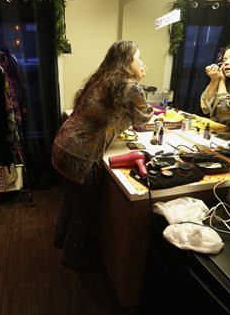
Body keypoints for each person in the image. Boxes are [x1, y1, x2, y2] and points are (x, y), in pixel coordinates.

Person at [51, 40, 153, 269]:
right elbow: (143, 118)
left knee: (70, 199)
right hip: (80, 154)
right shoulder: (129, 85)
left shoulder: (101, 78)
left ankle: (60, 239)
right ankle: (72, 256)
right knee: (84, 209)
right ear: (128, 61)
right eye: (139, 58)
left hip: (61, 145)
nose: (142, 63)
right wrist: (139, 81)